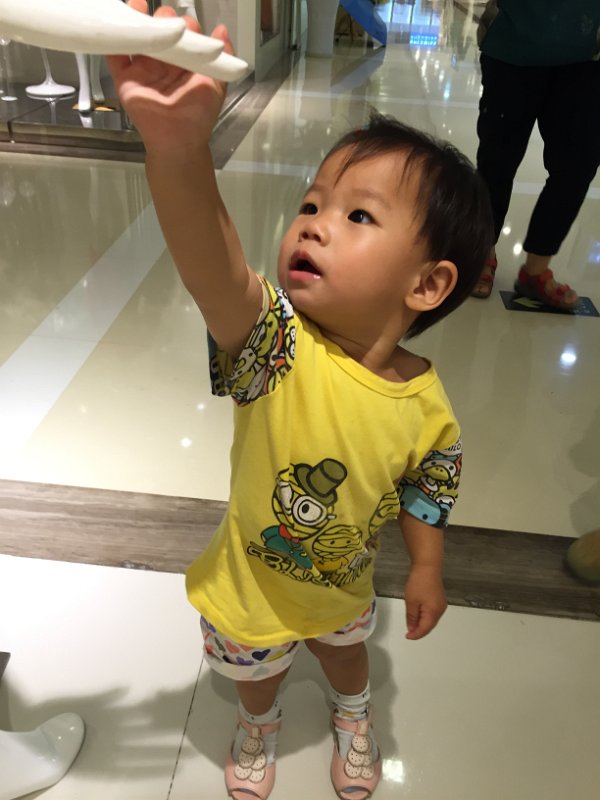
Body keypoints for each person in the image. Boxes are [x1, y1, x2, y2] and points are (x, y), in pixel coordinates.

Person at [107, 3, 492, 798]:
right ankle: (260, 725)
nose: (312, 225)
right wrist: (178, 152)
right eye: (312, 204)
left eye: (358, 215)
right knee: (253, 676)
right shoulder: (276, 347)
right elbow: (212, 265)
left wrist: (427, 567)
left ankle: (354, 710)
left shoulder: (427, 405)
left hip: (343, 585)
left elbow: (430, 488)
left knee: (347, 653)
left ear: (428, 284)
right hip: (248, 582)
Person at [471, 0, 600, 306]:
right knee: (497, 159)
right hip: (512, 44)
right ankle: (481, 252)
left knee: (578, 163)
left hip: (587, 53)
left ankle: (536, 270)